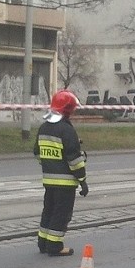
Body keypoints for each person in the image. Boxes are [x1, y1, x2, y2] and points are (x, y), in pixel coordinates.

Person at [33, 90, 88, 256]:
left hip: (49, 181)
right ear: (67, 109)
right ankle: (55, 246)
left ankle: (43, 243)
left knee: (48, 211)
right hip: (65, 184)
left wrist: (51, 165)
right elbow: (74, 159)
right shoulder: (67, 130)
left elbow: (37, 152)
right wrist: (83, 180)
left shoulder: (44, 128)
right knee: (61, 214)